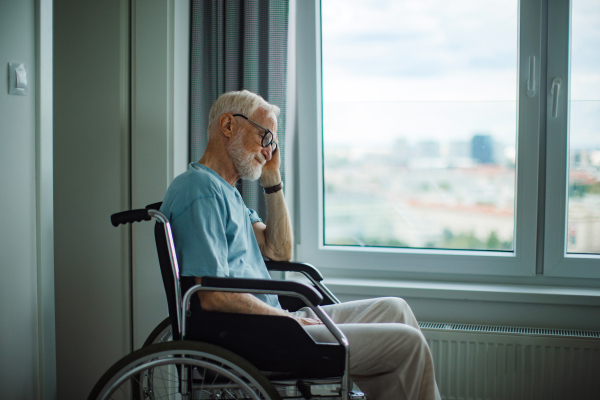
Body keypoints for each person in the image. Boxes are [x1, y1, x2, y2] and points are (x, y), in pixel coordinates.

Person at [160, 90, 441, 400]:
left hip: (272, 324)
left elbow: (278, 251)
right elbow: (214, 296)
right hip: (255, 336)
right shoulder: (199, 189)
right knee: (407, 344)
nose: (269, 150)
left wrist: (272, 178)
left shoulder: (229, 194)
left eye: (273, 143)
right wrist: (289, 318)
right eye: (264, 136)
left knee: (395, 309)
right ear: (228, 126)